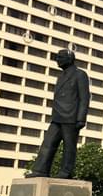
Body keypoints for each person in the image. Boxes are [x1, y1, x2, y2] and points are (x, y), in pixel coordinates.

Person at [27, 49, 90, 179]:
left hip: (71, 117)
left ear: (70, 59)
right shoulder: (61, 77)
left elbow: (84, 98)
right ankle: (40, 170)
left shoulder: (80, 75)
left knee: (69, 147)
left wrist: (81, 119)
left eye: (60, 57)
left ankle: (66, 172)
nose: (57, 60)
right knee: (48, 143)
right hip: (57, 117)